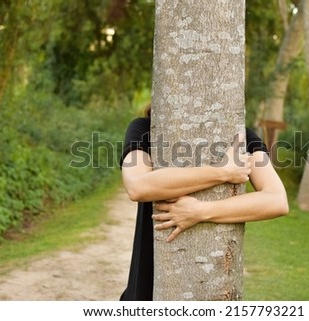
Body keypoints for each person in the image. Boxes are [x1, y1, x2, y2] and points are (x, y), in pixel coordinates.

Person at [119, 107, 289, 301]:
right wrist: (222, 172)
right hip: (146, 285)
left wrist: (200, 211)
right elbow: (137, 186)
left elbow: (277, 200)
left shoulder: (241, 136)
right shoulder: (145, 128)